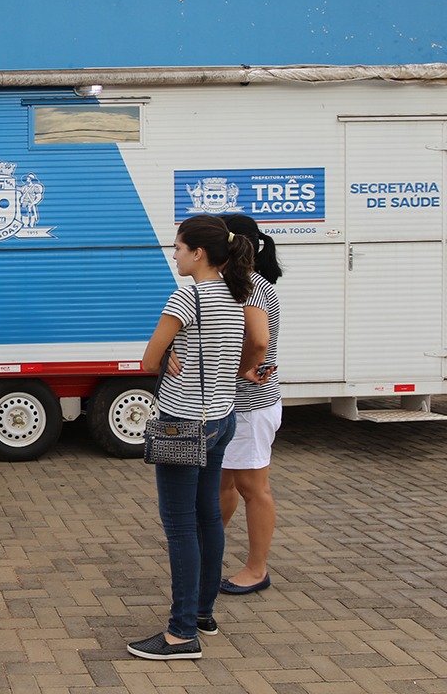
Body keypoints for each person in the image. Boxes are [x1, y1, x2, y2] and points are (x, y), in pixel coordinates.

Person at [128, 214, 254, 661]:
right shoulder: (235, 294)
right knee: (207, 519)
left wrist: (167, 352)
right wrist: (175, 350)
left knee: (181, 527)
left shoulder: (187, 296)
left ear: (198, 253)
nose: (175, 255)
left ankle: (181, 635)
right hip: (221, 417)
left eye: (178, 248)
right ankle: (202, 614)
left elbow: (148, 361)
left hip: (183, 421)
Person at [219, 213, 283, 595]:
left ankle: (257, 570)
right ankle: (208, 550)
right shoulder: (236, 284)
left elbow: (258, 342)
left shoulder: (251, 286)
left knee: (252, 488)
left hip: (251, 406)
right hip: (235, 405)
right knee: (224, 484)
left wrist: (240, 371)